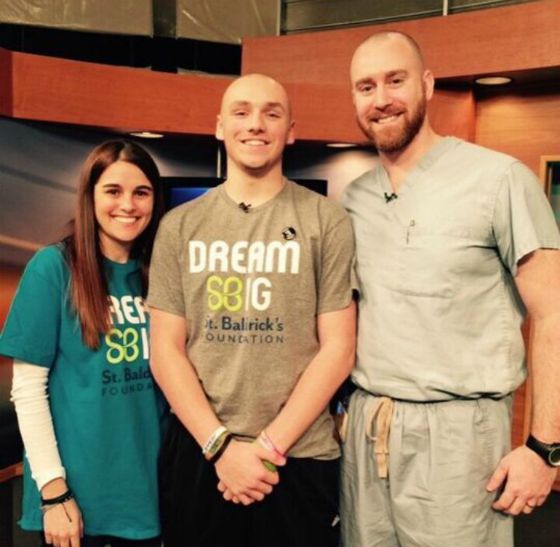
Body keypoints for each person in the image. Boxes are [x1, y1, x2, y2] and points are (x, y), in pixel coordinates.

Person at [340, 31, 560, 547]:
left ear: (427, 84)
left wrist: (545, 446)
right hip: (368, 427)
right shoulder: (354, 200)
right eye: (365, 86)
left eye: (395, 80)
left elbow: (554, 312)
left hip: (460, 436)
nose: (381, 98)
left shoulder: (499, 180)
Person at [147, 73, 356, 547]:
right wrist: (221, 447)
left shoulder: (327, 219)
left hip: (298, 457)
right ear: (220, 127)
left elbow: (339, 349)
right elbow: (165, 350)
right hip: (202, 456)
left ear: (291, 130)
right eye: (241, 112)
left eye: (271, 113)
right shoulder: (179, 226)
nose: (255, 124)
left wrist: (267, 448)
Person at [0, 140, 167, 547]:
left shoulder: (162, 272)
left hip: (150, 497)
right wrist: (54, 492)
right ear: (90, 196)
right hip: (76, 506)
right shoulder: (53, 267)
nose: (127, 204)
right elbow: (27, 390)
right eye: (113, 191)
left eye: (141, 192)